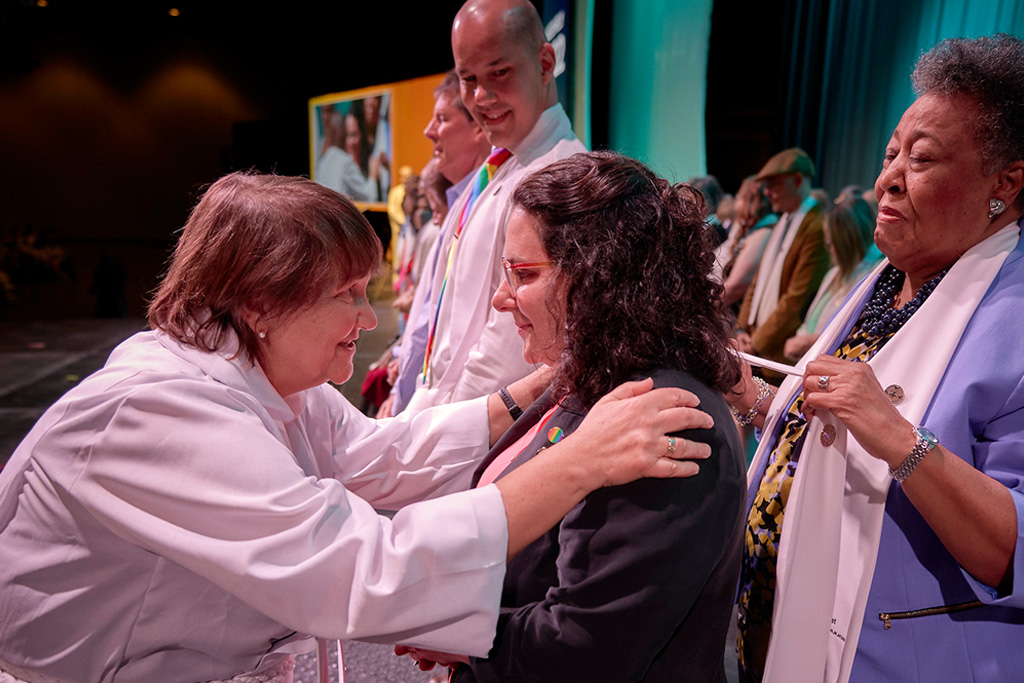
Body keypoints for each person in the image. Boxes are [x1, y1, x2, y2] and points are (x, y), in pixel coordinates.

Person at [0, 172, 718, 683]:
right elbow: (359, 566)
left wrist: (526, 393)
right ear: (260, 303)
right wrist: (574, 463)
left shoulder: (263, 372)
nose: (368, 320)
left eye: (521, 274)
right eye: (346, 296)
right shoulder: (158, 409)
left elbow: (374, 455)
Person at [728, 34, 1024, 683]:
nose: (886, 176)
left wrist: (902, 440)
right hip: (774, 631)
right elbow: (839, 431)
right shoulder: (890, 278)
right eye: (892, 151)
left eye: (920, 159)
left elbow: (1013, 548)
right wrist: (755, 402)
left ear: (1005, 183)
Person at [397, 151, 746, 681]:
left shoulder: (664, 416)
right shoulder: (591, 378)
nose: (499, 298)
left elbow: (587, 649)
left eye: (522, 274)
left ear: (600, 276)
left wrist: (466, 637)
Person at [404, 0, 587, 413]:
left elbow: (512, 349)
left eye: (499, 73)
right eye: (468, 79)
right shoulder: (506, 164)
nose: (481, 96)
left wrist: (442, 435)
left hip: (477, 430)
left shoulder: (558, 176)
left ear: (544, 63)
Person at [380, 69, 491, 418]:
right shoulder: (463, 202)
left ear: (478, 125)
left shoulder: (482, 205)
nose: (429, 130)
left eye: (442, 118)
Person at [736, 147, 831, 367]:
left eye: (773, 185)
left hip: (777, 357)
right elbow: (757, 283)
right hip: (758, 347)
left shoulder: (816, 227)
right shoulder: (783, 221)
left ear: (797, 180)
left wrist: (756, 343)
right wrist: (742, 328)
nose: (767, 193)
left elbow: (797, 296)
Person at [783, 197, 882, 360]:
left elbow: (858, 335)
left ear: (846, 243)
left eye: (831, 243)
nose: (829, 249)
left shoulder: (871, 277)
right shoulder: (834, 273)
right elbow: (811, 321)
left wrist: (811, 341)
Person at [716, 175, 778, 309]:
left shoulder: (763, 234)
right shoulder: (753, 231)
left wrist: (703, 307)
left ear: (753, 201)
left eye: (739, 198)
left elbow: (736, 286)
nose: (735, 205)